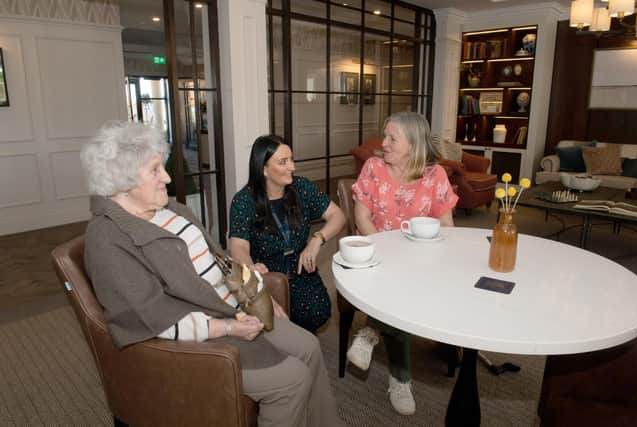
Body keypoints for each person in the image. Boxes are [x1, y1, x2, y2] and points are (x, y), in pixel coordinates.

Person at [80, 121, 340, 427]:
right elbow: (147, 319)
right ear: (121, 180)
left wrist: (254, 289)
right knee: (291, 380)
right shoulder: (108, 239)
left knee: (309, 346)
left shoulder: (173, 211)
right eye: (154, 170)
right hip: (203, 336)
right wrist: (229, 327)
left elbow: (218, 263)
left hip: (234, 307)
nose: (167, 177)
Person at [347, 112, 458, 416]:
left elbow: (447, 225)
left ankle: (370, 334)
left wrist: (440, 255)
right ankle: (400, 379)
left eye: (392, 138)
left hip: (420, 258)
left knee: (414, 286)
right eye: (384, 136)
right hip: (375, 253)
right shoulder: (373, 168)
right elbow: (362, 218)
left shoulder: (435, 176)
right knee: (402, 296)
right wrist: (388, 253)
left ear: (413, 145)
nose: (383, 143)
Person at [229, 135, 346, 334]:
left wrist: (316, 240)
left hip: (300, 266)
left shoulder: (301, 188)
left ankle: (302, 345)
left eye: (291, 159)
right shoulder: (244, 201)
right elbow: (238, 246)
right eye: (283, 162)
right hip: (269, 273)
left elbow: (338, 216)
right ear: (263, 169)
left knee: (318, 311)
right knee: (278, 320)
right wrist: (252, 272)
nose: (292, 167)